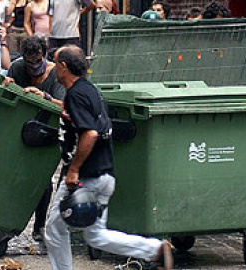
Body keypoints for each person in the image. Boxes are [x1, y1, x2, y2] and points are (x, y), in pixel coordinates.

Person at [43, 45, 173, 270]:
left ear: (64, 67)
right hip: (104, 176)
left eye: (55, 63)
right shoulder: (90, 91)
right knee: (96, 236)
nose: (53, 69)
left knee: (55, 230)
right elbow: (82, 119)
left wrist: (73, 170)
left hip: (85, 179)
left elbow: (90, 132)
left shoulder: (76, 95)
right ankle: (155, 250)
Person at [4, 35, 64, 240]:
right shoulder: (17, 68)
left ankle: (39, 226)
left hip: (46, 131)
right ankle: (9, 222)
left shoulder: (55, 74)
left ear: (44, 56)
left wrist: (44, 97)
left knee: (43, 180)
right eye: (30, 62)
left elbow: (65, 106)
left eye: (38, 61)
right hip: (20, 129)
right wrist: (9, 85)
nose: (34, 66)